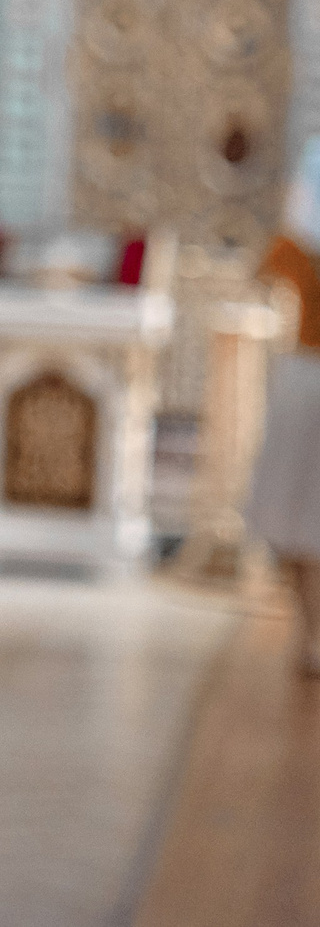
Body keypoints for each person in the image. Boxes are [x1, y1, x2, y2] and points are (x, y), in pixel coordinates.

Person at [251, 136, 320, 676]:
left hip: (305, 379)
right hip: (306, 377)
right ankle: (313, 635)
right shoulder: (297, 245)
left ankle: (313, 635)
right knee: (299, 519)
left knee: (300, 519)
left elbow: (260, 272)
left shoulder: (295, 244)